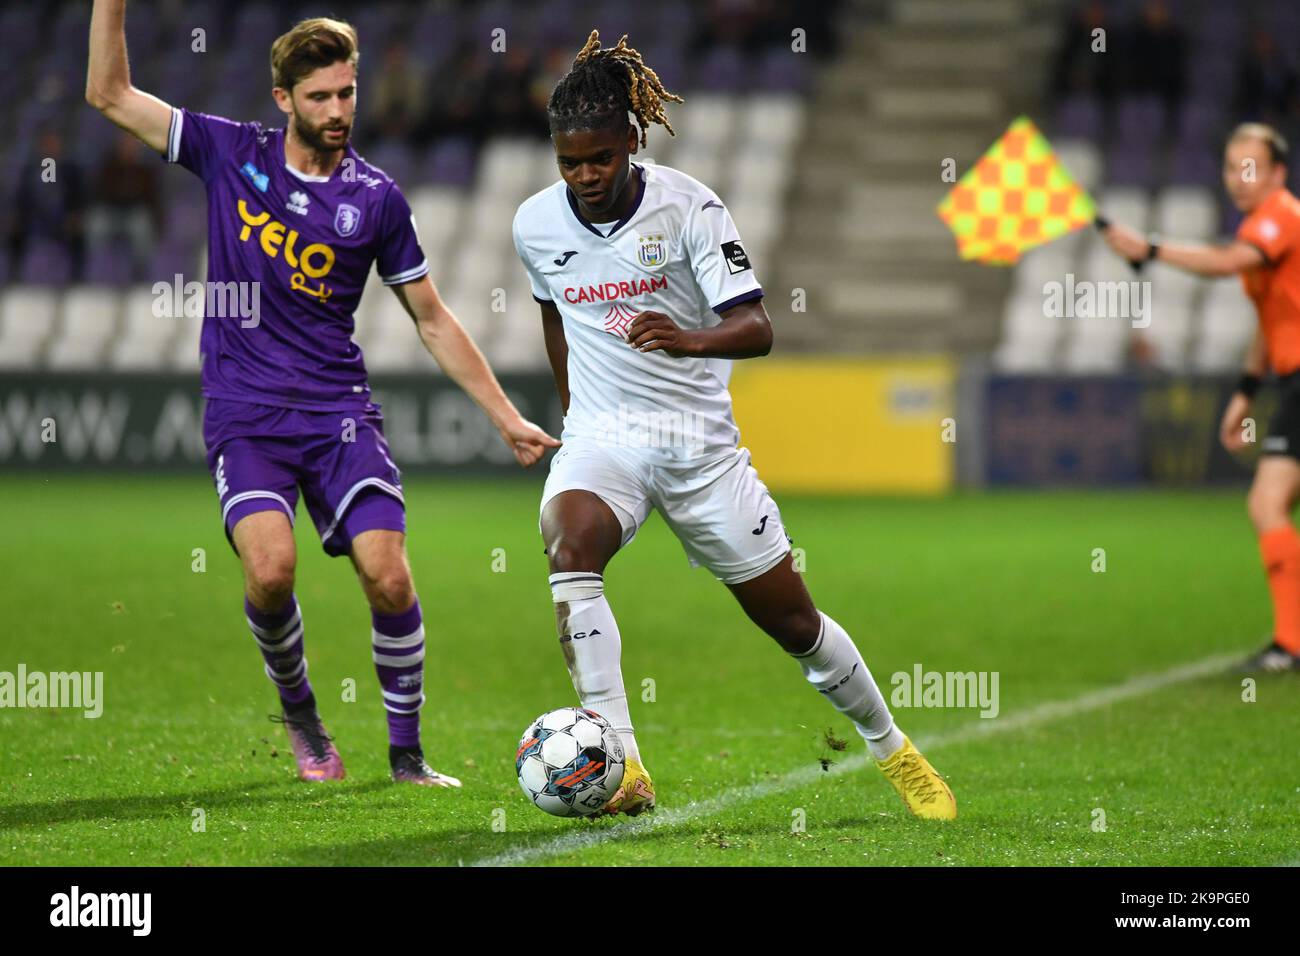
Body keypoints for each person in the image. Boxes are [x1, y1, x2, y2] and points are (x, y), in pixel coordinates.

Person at [86, 2, 559, 784]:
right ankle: (302, 717)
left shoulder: (376, 199)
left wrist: (505, 416)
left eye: (346, 93)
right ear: (284, 100)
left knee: (390, 574)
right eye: (320, 97)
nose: (338, 110)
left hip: (338, 415)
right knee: (270, 572)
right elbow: (108, 93)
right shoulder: (227, 151)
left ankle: (407, 757)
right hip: (246, 415)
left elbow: (432, 319)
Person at [512, 31, 957, 819]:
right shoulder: (535, 224)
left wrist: (688, 337)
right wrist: (573, 407)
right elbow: (554, 310)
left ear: (631, 141)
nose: (584, 177)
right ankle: (626, 764)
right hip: (603, 437)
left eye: (599, 160)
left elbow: (757, 329)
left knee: (793, 622)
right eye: (569, 163)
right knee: (568, 545)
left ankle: (894, 749)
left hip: (697, 449)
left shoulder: (690, 206)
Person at [1103, 122, 1300, 672]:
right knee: (1269, 503)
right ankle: (1290, 644)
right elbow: (1272, 322)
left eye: (1251, 167)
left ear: (1278, 173)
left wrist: (1152, 248)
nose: (1239, 178)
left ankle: (1290, 645)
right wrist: (1245, 392)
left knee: (1267, 502)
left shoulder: (1281, 215)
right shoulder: (1264, 231)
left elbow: (1224, 263)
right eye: (1231, 167)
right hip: (1291, 383)